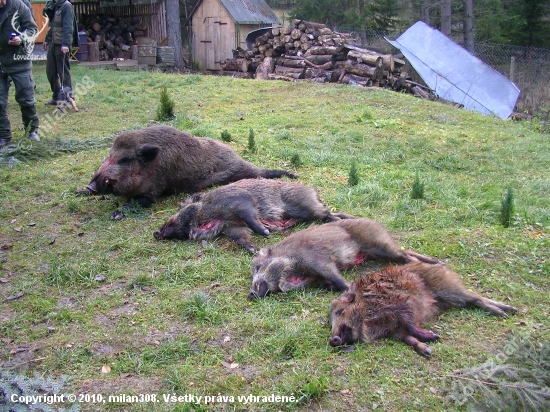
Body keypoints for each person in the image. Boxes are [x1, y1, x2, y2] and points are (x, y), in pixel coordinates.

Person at [0, 0, 40, 147]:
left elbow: (32, 29)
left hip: (19, 60)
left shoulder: (18, 6)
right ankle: (3, 135)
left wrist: (21, 38)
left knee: (26, 99)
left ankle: (31, 131)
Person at [42, 0, 77, 106]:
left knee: (63, 73)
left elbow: (68, 26)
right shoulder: (55, 6)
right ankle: (57, 96)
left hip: (62, 45)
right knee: (50, 72)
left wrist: (66, 44)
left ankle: (67, 98)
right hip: (53, 43)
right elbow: (52, 26)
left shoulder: (66, 6)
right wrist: (46, 39)